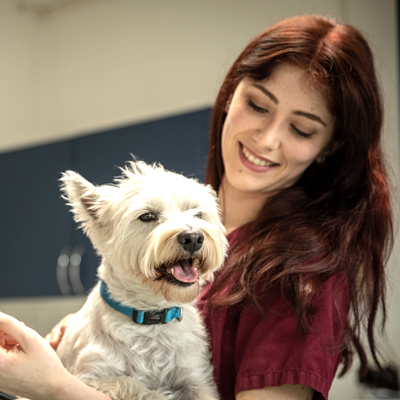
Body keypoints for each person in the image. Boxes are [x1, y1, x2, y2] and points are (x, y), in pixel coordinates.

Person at [0, 14, 393, 400]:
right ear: (230, 95)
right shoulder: (192, 245)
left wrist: (55, 387)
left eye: (301, 128)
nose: (268, 138)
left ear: (331, 146)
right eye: (258, 105)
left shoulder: (304, 274)